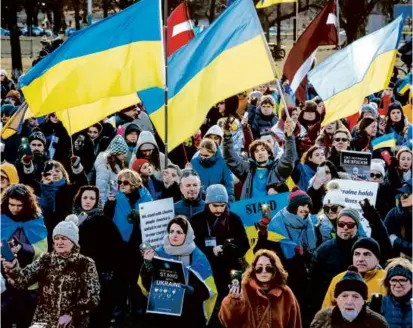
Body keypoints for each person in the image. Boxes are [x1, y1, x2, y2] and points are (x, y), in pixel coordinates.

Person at [2, 215, 100, 328]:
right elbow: (22, 280)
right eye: (56, 238)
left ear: (73, 241)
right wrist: (13, 268)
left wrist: (71, 314)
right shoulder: (46, 259)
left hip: (71, 323)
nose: (59, 242)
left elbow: (92, 297)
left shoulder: (85, 264)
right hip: (42, 321)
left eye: (64, 239)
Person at [139, 216, 217, 327]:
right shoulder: (158, 253)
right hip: (162, 313)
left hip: (189, 314)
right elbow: (146, 286)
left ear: (187, 235)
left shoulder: (198, 257)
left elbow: (209, 291)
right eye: (171, 231)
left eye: (179, 232)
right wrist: (148, 265)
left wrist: (193, 290)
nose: (174, 235)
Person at [103, 169, 152, 322]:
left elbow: (151, 217)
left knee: (136, 277)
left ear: (134, 183)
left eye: (125, 182)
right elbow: (107, 216)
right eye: (119, 182)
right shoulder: (116, 196)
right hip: (121, 243)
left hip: (139, 243)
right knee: (120, 278)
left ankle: (138, 308)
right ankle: (119, 310)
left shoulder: (146, 196)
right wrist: (110, 203)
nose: (121, 185)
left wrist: (140, 217)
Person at [73, 186, 123, 328]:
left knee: (99, 316)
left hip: (100, 277)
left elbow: (116, 249)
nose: (88, 201)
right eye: (85, 197)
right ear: (79, 199)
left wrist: (109, 273)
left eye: (92, 198)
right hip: (76, 275)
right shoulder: (71, 221)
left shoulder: (104, 222)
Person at [257, 187, 316, 307]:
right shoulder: (276, 223)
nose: (306, 209)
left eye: (308, 206)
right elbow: (262, 250)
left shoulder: (310, 224)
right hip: (282, 278)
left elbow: (313, 252)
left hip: (302, 279)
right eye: (302, 205)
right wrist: (263, 232)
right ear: (294, 207)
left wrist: (304, 254)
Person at [190, 184, 249, 302]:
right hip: (207, 270)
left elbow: (245, 245)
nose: (219, 210)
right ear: (207, 204)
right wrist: (211, 251)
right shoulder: (197, 220)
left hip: (230, 270)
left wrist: (231, 249)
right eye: (215, 206)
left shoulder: (234, 219)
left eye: (223, 206)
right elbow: (192, 246)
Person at [1, 184, 48, 328]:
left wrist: (22, 248)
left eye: (19, 205)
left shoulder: (36, 222)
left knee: (26, 321)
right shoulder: (2, 220)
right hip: (4, 281)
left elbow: (42, 251)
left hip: (29, 283)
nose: (15, 209)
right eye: (11, 204)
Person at [219, 249, 302, 328]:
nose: (264, 271)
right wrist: (233, 302)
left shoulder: (286, 293)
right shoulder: (244, 290)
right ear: (253, 269)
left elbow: (295, 324)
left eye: (269, 267)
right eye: (259, 268)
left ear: (275, 269)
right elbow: (227, 322)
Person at [223, 116, 297, 199]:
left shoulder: (277, 169)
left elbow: (289, 158)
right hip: (250, 210)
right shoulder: (247, 169)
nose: (260, 153)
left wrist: (289, 136)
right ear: (253, 156)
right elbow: (230, 157)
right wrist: (227, 135)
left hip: (273, 210)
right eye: (256, 151)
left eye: (262, 150)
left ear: (269, 153)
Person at [310, 266, 388, 328]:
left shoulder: (378, 324)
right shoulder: (322, 320)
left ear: (363, 300)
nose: (349, 302)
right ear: (336, 298)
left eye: (355, 297)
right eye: (344, 296)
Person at [323, 238, 386, 307]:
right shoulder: (338, 279)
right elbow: (325, 313)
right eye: (357, 254)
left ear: (378, 259)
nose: (360, 259)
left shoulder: (387, 279)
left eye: (366, 254)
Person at [369, 258, 412, 328]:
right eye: (393, 280)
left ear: (411, 283)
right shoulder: (378, 302)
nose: (398, 285)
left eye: (402, 280)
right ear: (388, 282)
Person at [95, 135, 128, 205]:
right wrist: (103, 207)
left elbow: (115, 185)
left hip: (115, 201)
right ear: (116, 152)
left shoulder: (117, 163)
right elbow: (101, 187)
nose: (125, 155)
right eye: (123, 152)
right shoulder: (104, 163)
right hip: (108, 203)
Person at [16, 130, 49, 195]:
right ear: (29, 145)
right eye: (33, 145)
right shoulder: (20, 161)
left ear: (43, 147)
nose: (36, 148)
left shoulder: (49, 163)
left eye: (39, 145)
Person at [384, 180, 412, 258]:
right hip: (396, 259)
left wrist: (395, 240)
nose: (402, 197)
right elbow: (383, 235)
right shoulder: (394, 212)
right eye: (401, 194)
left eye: (406, 194)